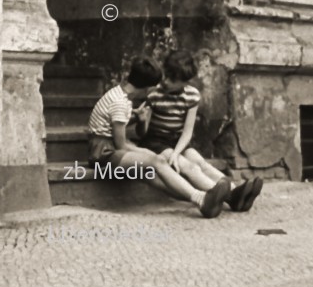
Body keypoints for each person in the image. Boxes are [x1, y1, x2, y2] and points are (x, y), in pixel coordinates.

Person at [88, 56, 232, 218]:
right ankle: (204, 198)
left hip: (110, 148)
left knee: (154, 176)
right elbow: (121, 145)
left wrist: (139, 118)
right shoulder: (120, 103)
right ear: (144, 88)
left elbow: (117, 126)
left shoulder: (121, 94)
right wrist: (151, 155)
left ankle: (203, 200)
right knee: (157, 161)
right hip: (103, 153)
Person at [137, 50, 263, 212]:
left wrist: (176, 153)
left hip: (177, 141)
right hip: (155, 142)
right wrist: (142, 121)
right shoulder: (154, 94)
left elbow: (187, 132)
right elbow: (143, 133)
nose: (166, 82)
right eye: (166, 76)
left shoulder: (192, 95)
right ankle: (229, 197)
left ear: (185, 82)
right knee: (188, 167)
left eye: (173, 80)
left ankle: (234, 191)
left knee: (200, 163)